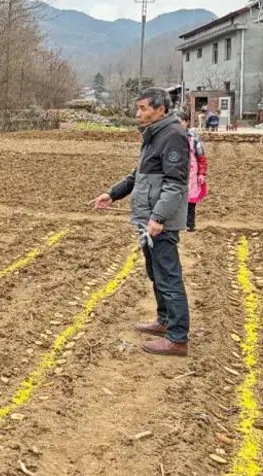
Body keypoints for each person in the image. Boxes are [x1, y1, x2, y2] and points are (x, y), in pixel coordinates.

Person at [91, 88, 190, 357]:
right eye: (138, 108)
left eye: (144, 108)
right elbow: (139, 175)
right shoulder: (154, 135)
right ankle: (164, 320)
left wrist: (159, 217)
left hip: (160, 221)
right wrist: (112, 194)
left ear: (161, 109)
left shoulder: (173, 136)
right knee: (155, 272)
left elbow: (175, 184)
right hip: (149, 218)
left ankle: (178, 338)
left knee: (169, 277)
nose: (138, 113)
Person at [178, 112, 208, 231]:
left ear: (186, 122)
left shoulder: (193, 137)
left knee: (190, 200)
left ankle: (190, 225)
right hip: (175, 171)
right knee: (175, 198)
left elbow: (201, 157)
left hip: (191, 172)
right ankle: (177, 224)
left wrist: (201, 173)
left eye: (180, 122)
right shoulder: (170, 137)